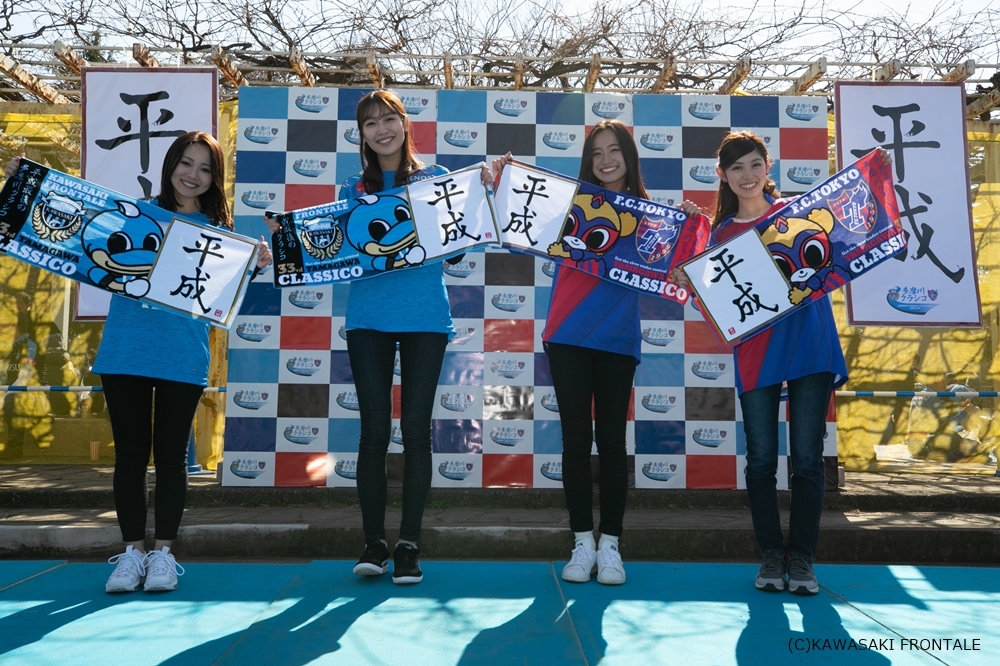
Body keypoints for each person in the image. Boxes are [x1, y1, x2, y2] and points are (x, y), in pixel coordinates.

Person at [2, 132, 272, 593]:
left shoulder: (221, 235)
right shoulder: (133, 214)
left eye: (205, 168)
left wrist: (257, 264)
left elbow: (225, 298)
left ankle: (163, 555)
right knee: (129, 456)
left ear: (215, 178)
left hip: (182, 357)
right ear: (171, 165)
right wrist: (26, 186)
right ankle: (131, 553)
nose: (193, 175)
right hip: (125, 351)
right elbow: (73, 222)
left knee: (171, 458)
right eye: (186, 163)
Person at [266, 90, 480, 584]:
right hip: (368, 319)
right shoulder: (351, 188)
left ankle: (408, 546)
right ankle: (373, 544)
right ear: (361, 134)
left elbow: (454, 253)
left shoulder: (436, 179)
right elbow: (331, 252)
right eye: (370, 123)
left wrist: (470, 206)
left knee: (417, 433)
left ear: (405, 124)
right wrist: (288, 239)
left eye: (389, 119)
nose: (381, 129)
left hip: (426, 318)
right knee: (375, 431)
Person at [690, 132, 889, 595]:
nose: (747, 175)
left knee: (807, 458)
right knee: (760, 458)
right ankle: (770, 555)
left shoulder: (800, 212)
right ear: (722, 175)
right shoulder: (720, 236)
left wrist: (877, 176)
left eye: (755, 164)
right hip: (757, 352)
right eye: (737, 167)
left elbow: (853, 230)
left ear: (769, 166)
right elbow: (718, 308)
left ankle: (801, 558)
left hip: (810, 344)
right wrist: (692, 274)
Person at [492, 119, 656, 585]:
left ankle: (611, 545)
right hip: (567, 334)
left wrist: (687, 227)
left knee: (613, 442)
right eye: (597, 152)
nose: (606, 160)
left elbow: (675, 267)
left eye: (614, 150)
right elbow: (519, 234)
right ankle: (582, 541)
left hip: (618, 338)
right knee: (576, 441)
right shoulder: (567, 202)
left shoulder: (649, 215)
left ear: (629, 156)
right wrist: (505, 185)